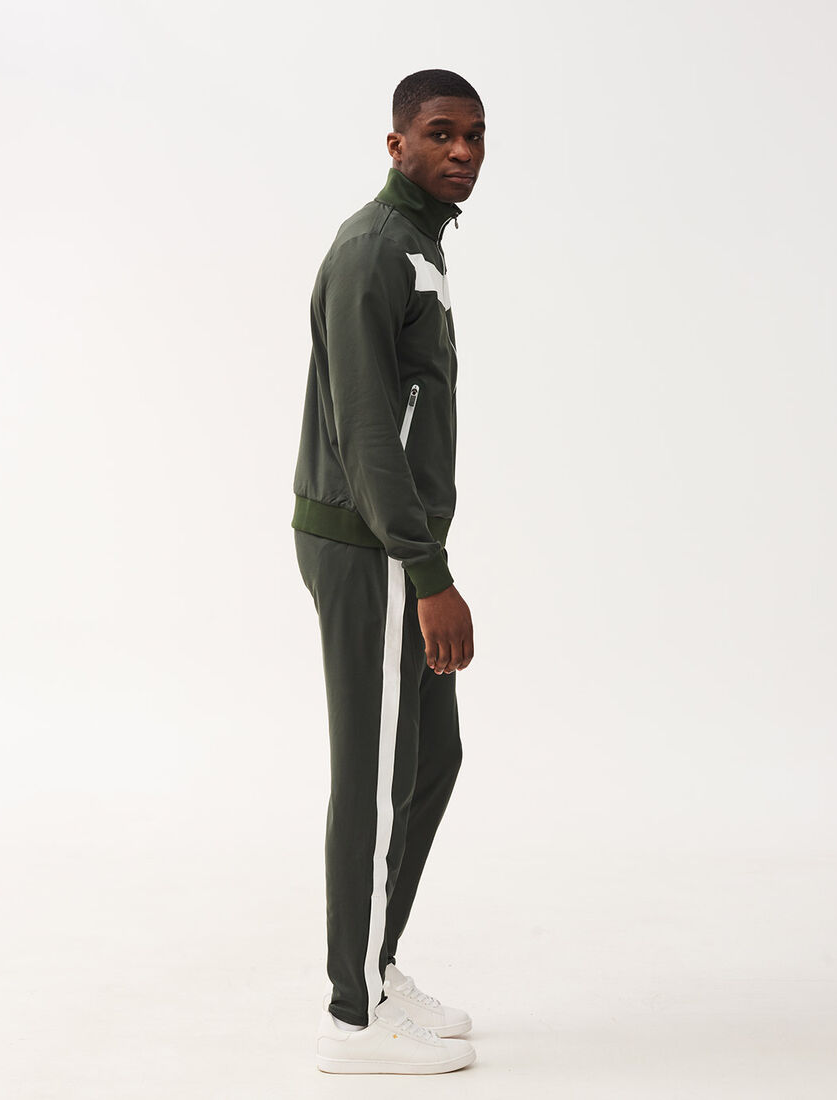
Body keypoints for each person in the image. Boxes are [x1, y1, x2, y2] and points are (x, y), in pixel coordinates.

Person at [291, 68, 486, 1075]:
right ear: (396, 143)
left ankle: (376, 964)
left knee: (431, 756)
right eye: (441, 133)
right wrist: (426, 568)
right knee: (372, 780)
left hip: (394, 542)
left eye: (475, 136)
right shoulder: (373, 249)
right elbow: (369, 431)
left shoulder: (418, 244)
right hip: (370, 549)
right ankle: (351, 1020)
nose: (462, 152)